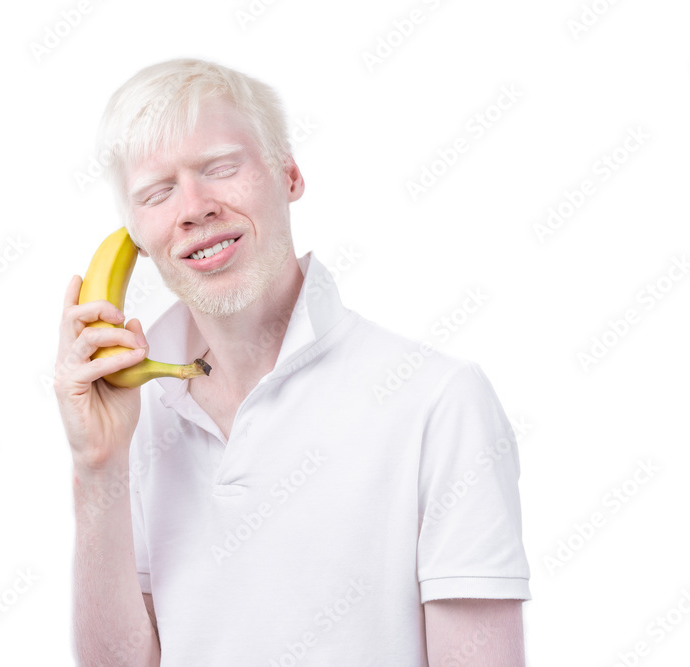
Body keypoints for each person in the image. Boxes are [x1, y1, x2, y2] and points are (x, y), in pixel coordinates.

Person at [55, 58, 530, 666]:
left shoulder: (439, 400)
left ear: (289, 174)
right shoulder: (136, 420)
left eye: (220, 168)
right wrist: (96, 466)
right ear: (136, 239)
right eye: (157, 192)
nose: (194, 207)